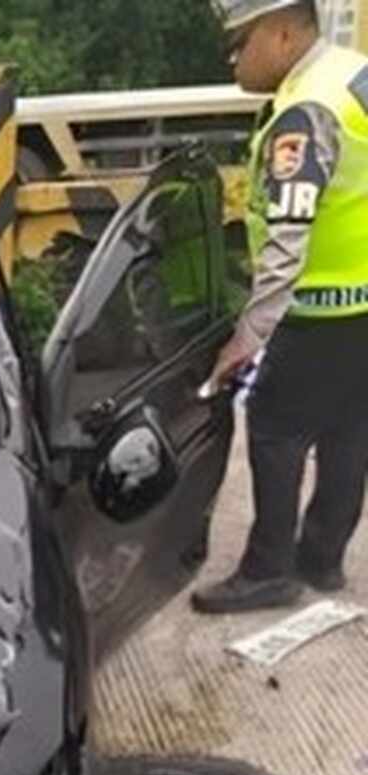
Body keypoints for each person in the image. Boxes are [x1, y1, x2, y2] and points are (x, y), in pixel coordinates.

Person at [194, 0, 368, 612]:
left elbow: (289, 235)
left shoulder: (306, 111)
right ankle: (321, 561)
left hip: (319, 312)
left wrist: (249, 336)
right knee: (349, 430)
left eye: (240, 44)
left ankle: (268, 571)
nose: (232, 59)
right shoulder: (353, 73)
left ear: (284, 34)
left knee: (274, 428)